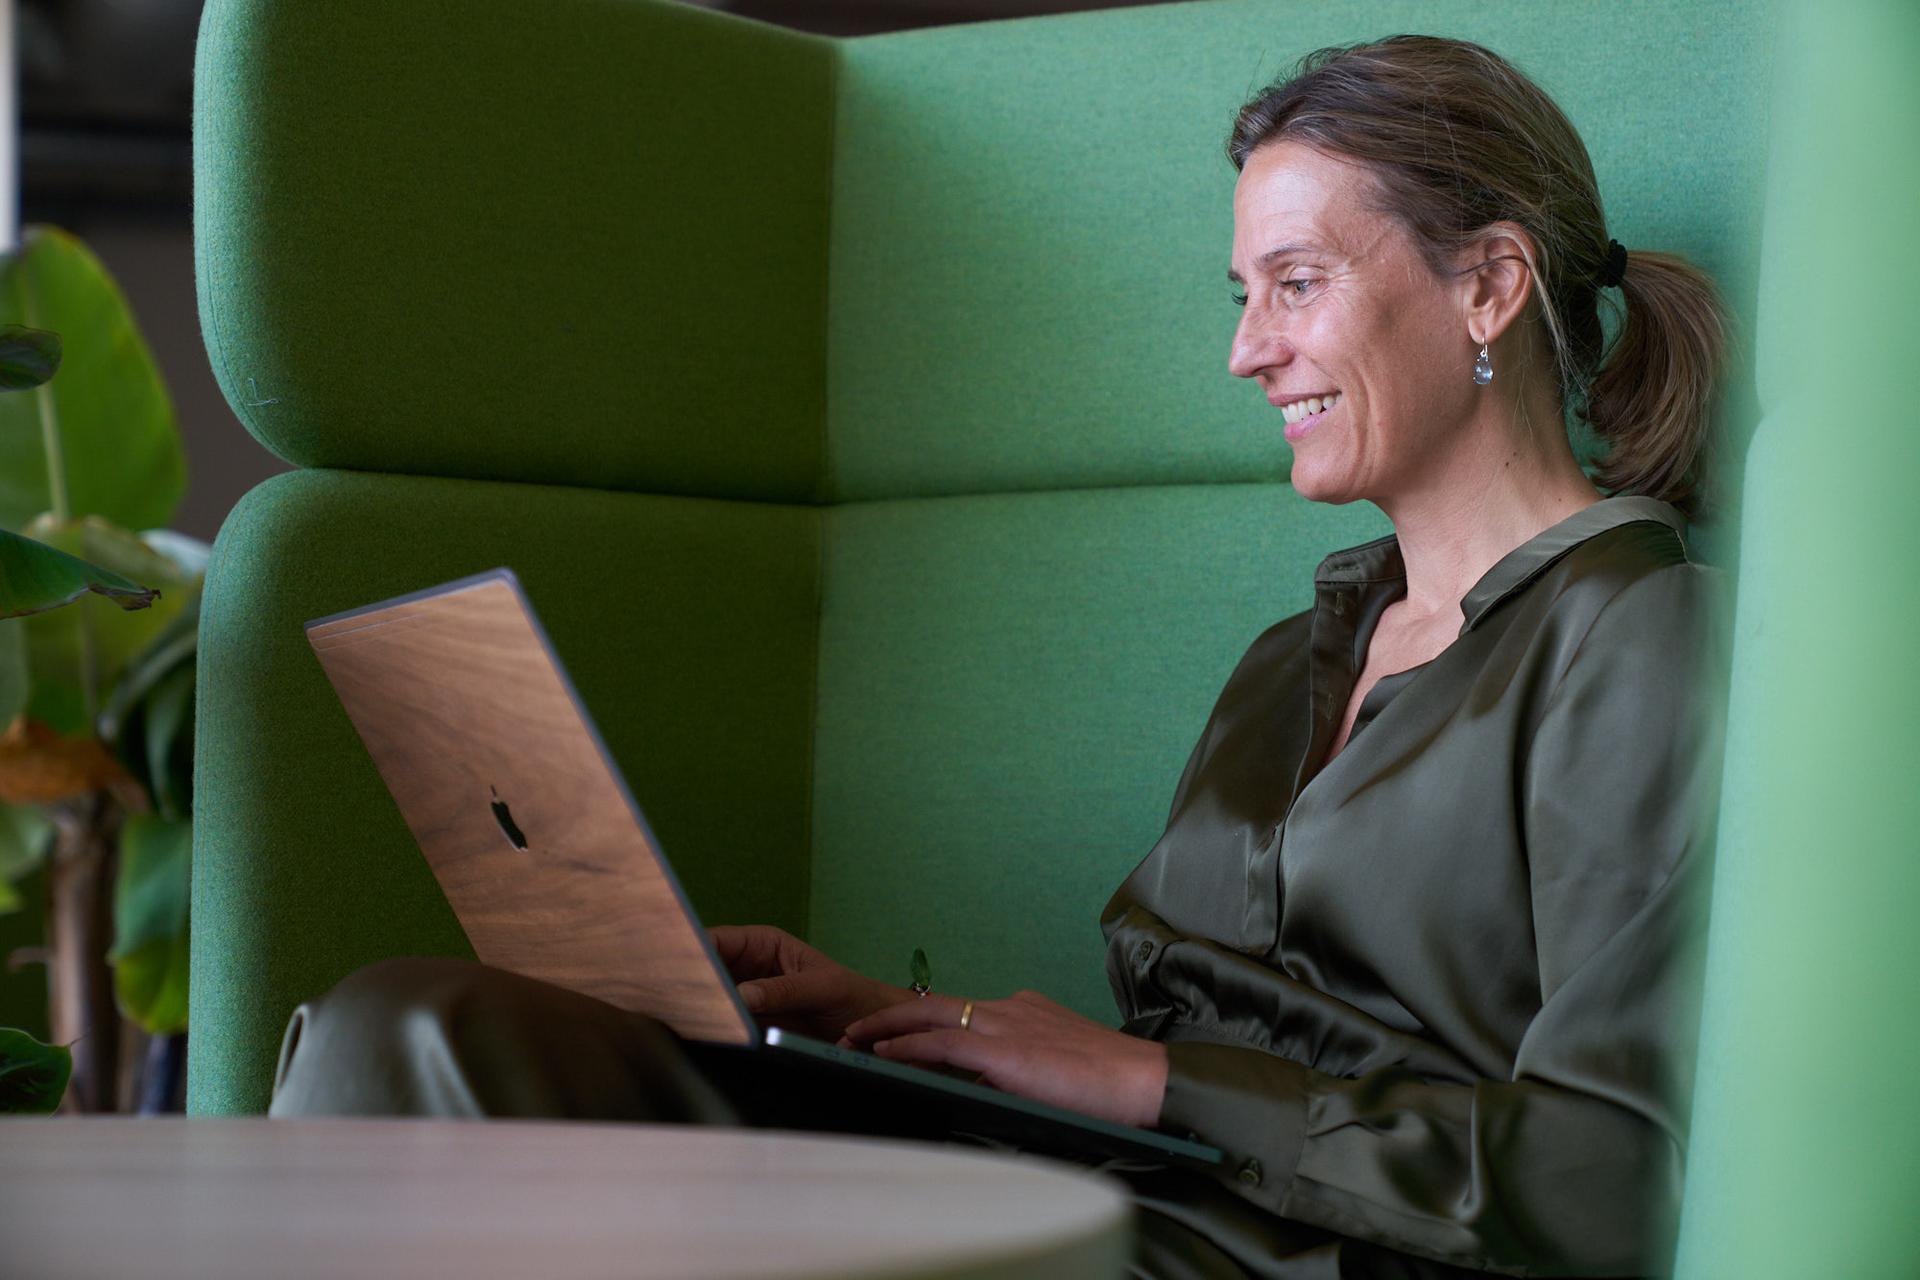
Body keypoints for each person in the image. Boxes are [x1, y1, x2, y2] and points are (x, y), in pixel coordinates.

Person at [268, 34, 1732, 1280]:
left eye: (1294, 284)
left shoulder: (1633, 637)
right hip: (1116, 1187)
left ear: (1487, 286)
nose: (1245, 351)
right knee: (407, 1032)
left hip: (1290, 1253)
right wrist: (900, 1023)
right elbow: (1181, 1043)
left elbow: (1610, 1180)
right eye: (1243, 294)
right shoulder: (1297, 655)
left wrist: (1156, 1081)